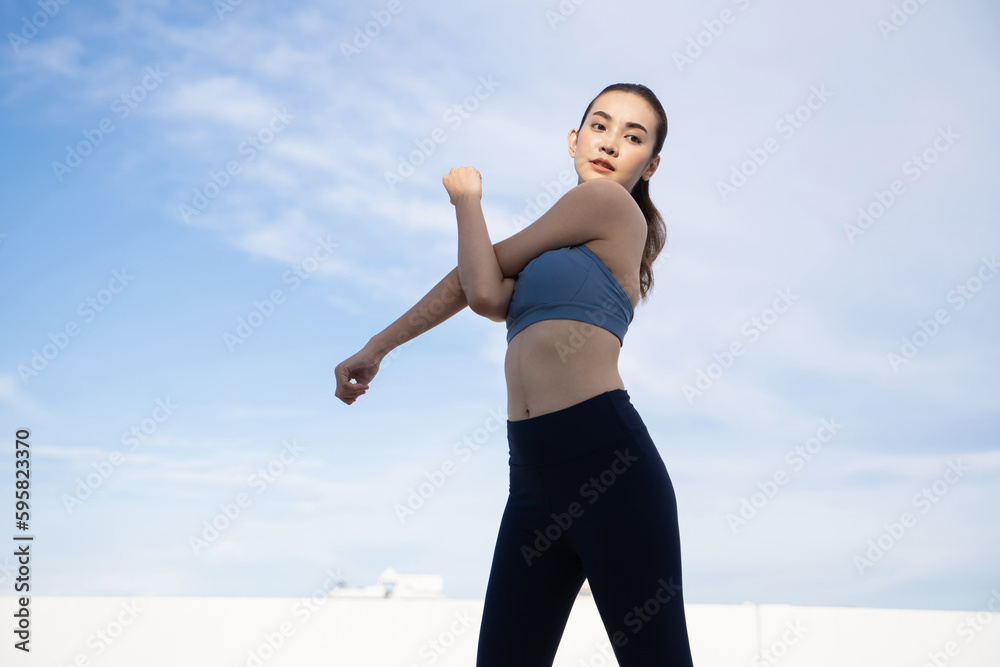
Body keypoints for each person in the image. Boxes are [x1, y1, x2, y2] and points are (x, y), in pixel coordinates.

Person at [335, 83, 695, 666]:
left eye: (633, 137)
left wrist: (467, 199)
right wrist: (378, 346)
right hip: (531, 480)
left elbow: (478, 287)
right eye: (599, 127)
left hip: (605, 462)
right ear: (574, 139)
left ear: (650, 165)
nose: (610, 144)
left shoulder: (604, 204)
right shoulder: (559, 252)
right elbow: (481, 281)